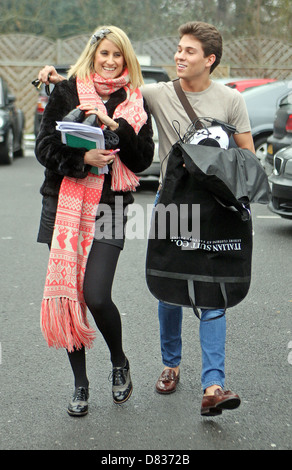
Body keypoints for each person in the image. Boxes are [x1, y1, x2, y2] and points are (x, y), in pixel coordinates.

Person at [37, 21, 255, 417]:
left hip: (156, 208)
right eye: (178, 48)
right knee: (147, 288)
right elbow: (51, 134)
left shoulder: (160, 98)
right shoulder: (110, 91)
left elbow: (144, 159)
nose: (179, 55)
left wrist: (115, 129)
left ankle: (203, 380)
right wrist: (78, 151)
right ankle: (116, 376)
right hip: (112, 206)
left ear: (210, 60)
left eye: (189, 51)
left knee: (200, 291)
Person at [35, 25, 154, 417]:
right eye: (104, 53)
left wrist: (116, 127)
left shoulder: (133, 100)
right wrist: (82, 160)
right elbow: (44, 146)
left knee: (95, 294)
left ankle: (119, 362)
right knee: (69, 293)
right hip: (65, 203)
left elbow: (141, 160)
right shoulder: (69, 90)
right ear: (93, 54)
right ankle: (80, 385)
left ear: (126, 58)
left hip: (111, 207)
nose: (110, 60)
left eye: (117, 54)